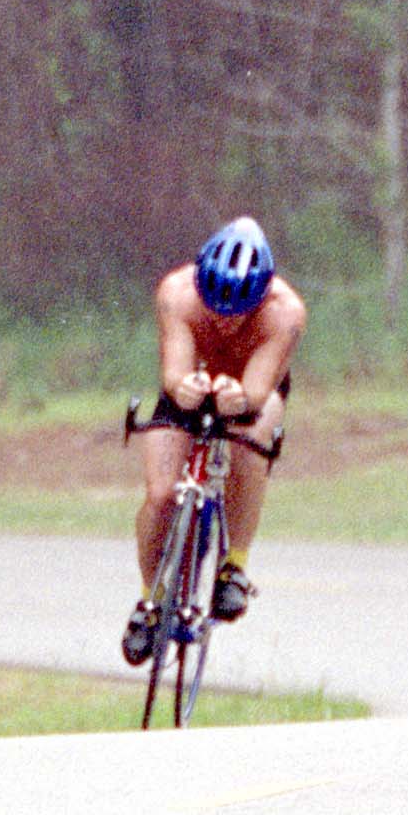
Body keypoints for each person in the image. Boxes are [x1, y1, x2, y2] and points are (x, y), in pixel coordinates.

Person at [123, 215, 306, 663]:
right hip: (193, 379)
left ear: (262, 296)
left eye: (238, 312)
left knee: (252, 440)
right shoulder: (176, 293)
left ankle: (234, 566)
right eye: (215, 308)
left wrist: (240, 398)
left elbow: (257, 392)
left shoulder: (286, 313)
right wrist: (184, 387)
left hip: (250, 386)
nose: (224, 321)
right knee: (161, 495)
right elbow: (174, 373)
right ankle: (150, 601)